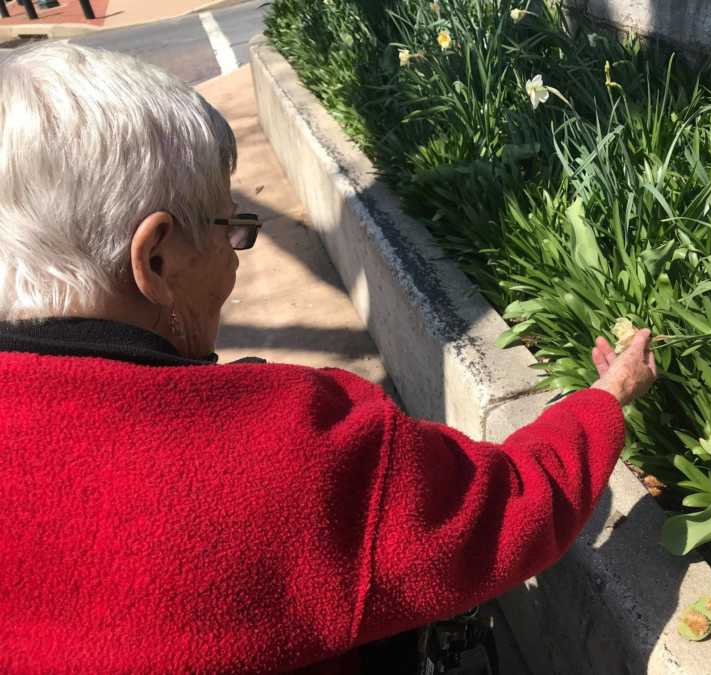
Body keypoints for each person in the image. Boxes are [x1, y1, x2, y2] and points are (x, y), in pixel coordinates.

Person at [0, 43, 656, 674]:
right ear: (157, 260)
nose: (235, 255)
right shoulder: (289, 449)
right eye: (229, 227)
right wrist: (606, 398)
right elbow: (507, 507)